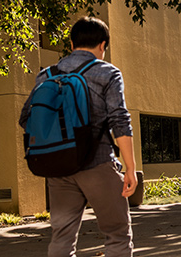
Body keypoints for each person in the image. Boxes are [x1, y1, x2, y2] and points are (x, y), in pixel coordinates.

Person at [19, 16, 137, 257]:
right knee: (117, 234)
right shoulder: (107, 72)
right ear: (103, 45)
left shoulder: (46, 76)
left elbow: (25, 118)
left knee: (62, 237)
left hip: (58, 167)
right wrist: (130, 168)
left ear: (72, 44)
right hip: (98, 165)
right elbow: (119, 120)